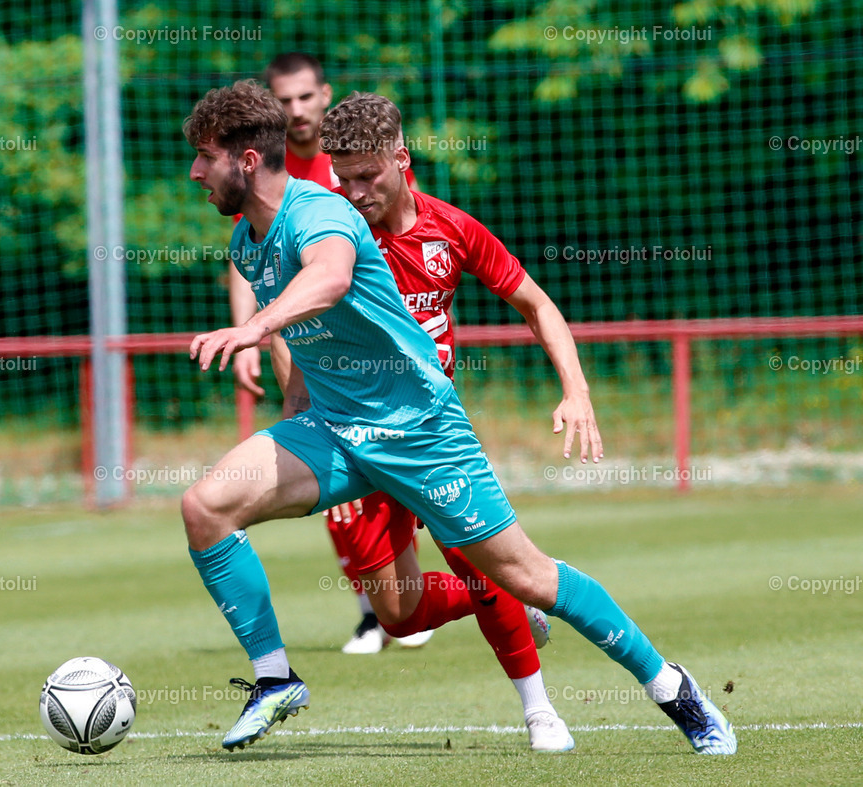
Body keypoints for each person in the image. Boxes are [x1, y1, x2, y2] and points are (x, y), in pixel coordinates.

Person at [182, 80, 737, 757]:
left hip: (420, 432)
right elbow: (304, 339)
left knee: (526, 576)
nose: (194, 172)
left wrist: (575, 389)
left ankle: (671, 686)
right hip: (335, 429)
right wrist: (293, 412)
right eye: (343, 175)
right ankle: (275, 679)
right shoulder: (251, 240)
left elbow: (330, 278)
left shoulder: (328, 218)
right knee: (209, 509)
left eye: (204, 156)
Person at [229, 52, 429, 654]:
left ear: (325, 95)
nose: (296, 110)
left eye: (305, 97)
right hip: (299, 339)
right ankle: (372, 611)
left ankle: (432, 593)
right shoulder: (266, 166)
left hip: (370, 341)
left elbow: (405, 233)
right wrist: (247, 334)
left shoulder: (353, 161)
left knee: (401, 479)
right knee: (330, 481)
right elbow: (247, 252)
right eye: (284, 99)